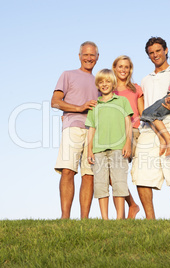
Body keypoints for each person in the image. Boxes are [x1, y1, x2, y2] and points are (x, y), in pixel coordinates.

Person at [131, 37, 170, 220]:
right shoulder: (145, 80)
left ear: (166, 51)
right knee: (141, 172)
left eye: (158, 50)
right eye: (151, 53)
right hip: (149, 127)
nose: (155, 55)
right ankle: (150, 219)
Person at [51, 41, 99, 219]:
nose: (88, 58)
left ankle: (84, 220)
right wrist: (79, 108)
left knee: (89, 174)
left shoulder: (100, 81)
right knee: (67, 170)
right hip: (72, 127)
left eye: (92, 55)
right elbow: (55, 101)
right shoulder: (68, 75)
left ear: (97, 57)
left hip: (93, 131)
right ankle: (65, 217)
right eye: (85, 54)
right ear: (79, 56)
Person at [86, 69, 133, 220]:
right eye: (101, 82)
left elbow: (128, 124)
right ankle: (105, 219)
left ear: (113, 83)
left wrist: (128, 143)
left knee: (119, 182)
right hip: (98, 150)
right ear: (97, 85)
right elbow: (91, 128)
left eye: (107, 81)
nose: (104, 84)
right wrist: (89, 150)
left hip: (118, 148)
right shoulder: (94, 106)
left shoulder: (122, 101)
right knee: (100, 184)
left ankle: (120, 218)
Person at [112, 55, 143, 219]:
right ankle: (132, 205)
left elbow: (142, 113)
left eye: (126, 67)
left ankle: (121, 217)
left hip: (131, 132)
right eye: (120, 66)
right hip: (112, 135)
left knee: (118, 173)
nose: (123, 70)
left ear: (130, 70)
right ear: (114, 68)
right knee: (111, 175)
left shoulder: (136, 89)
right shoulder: (108, 89)